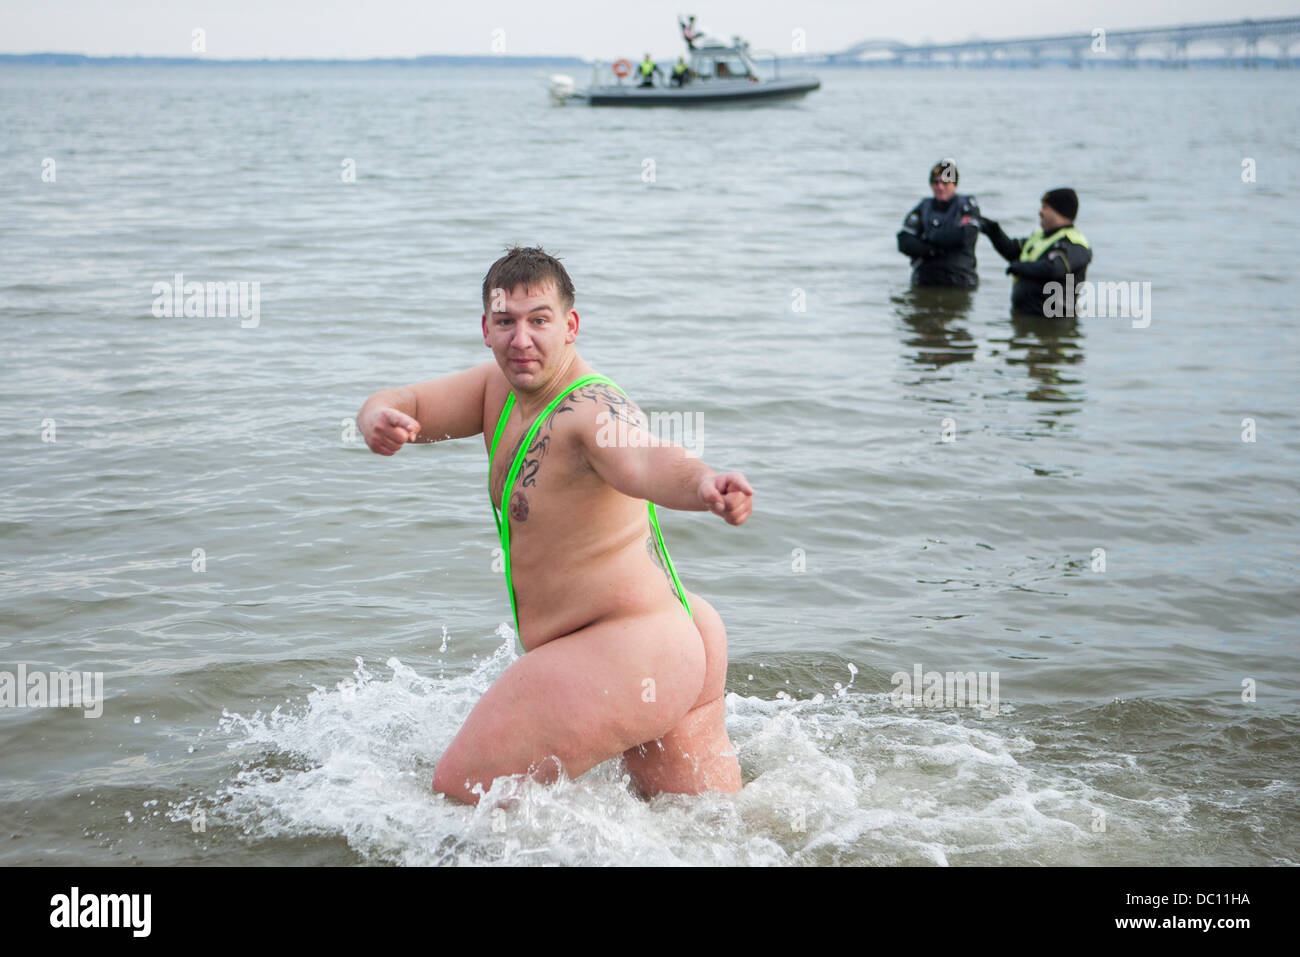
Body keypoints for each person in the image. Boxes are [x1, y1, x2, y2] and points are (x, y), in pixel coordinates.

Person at [356, 246, 752, 805]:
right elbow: (412, 401)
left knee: (461, 794)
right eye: (506, 322)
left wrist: (704, 485)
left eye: (539, 321)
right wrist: (375, 416)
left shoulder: (592, 409)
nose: (522, 339)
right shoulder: (494, 389)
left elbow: (643, 459)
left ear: (570, 326)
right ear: (486, 329)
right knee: (705, 835)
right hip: (678, 635)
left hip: (630, 647)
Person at [981, 188, 1092, 316]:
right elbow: (1011, 251)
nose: (1040, 212)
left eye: (1045, 207)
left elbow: (1054, 268)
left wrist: (1019, 268)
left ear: (1059, 211)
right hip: (1026, 319)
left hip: (1055, 325)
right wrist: (993, 231)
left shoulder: (1075, 243)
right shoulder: (1040, 237)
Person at [896, 159, 982, 288]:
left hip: (959, 279)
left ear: (954, 183)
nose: (940, 187)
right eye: (936, 182)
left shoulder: (966, 205)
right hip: (925, 278)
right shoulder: (924, 206)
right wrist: (931, 250)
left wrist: (930, 237)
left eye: (945, 182)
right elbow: (904, 241)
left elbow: (965, 236)